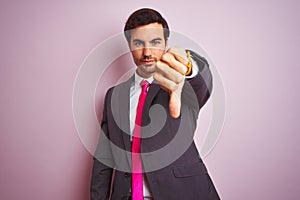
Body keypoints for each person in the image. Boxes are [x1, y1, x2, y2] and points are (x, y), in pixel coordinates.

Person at [90, 8, 220, 200]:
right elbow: (104, 158)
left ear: (166, 43)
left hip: (183, 193)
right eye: (138, 43)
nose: (147, 52)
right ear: (129, 46)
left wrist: (189, 66)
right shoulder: (113, 96)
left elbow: (201, 83)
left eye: (155, 42)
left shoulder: (181, 85)